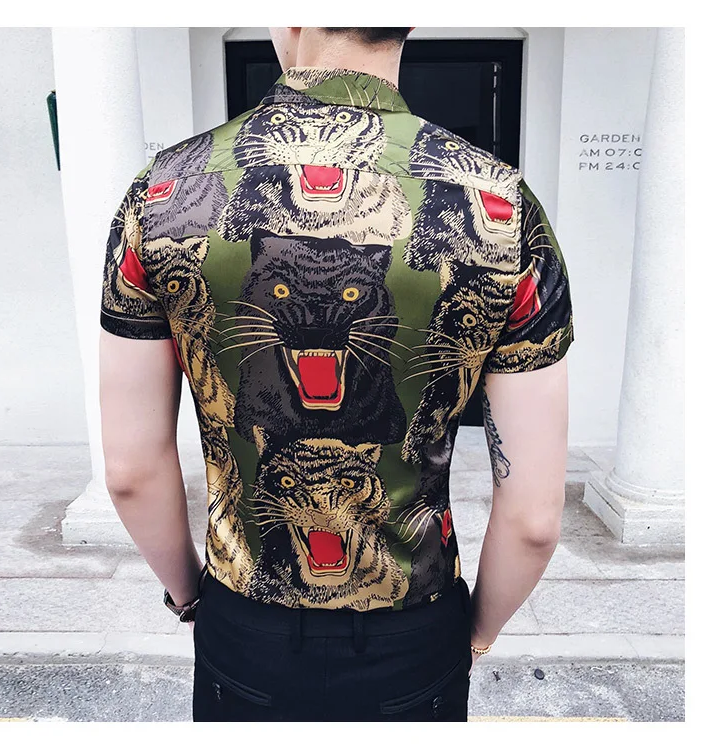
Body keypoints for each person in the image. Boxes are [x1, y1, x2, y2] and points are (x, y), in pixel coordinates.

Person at [98, 26, 573, 722]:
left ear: (290, 21)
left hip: (246, 628)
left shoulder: (164, 194)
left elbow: (130, 472)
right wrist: (474, 634)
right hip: (415, 633)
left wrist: (194, 599)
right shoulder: (501, 207)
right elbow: (533, 520)